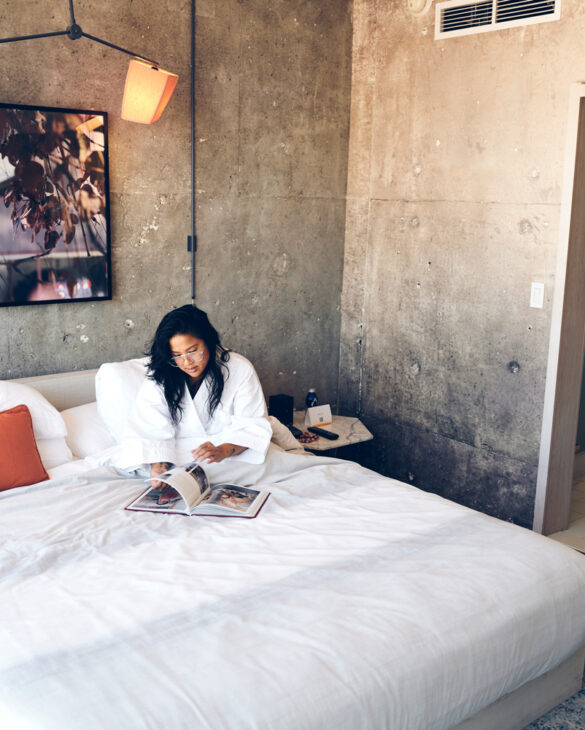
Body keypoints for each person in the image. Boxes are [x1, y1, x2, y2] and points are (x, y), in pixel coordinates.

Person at [124, 305, 272, 487]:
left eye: (193, 351)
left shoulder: (239, 369)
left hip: (230, 456)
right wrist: (159, 467)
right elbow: (151, 429)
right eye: (177, 355)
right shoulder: (161, 376)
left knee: (270, 464)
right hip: (178, 456)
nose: (186, 362)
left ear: (208, 341)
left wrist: (222, 451)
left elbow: (251, 427)